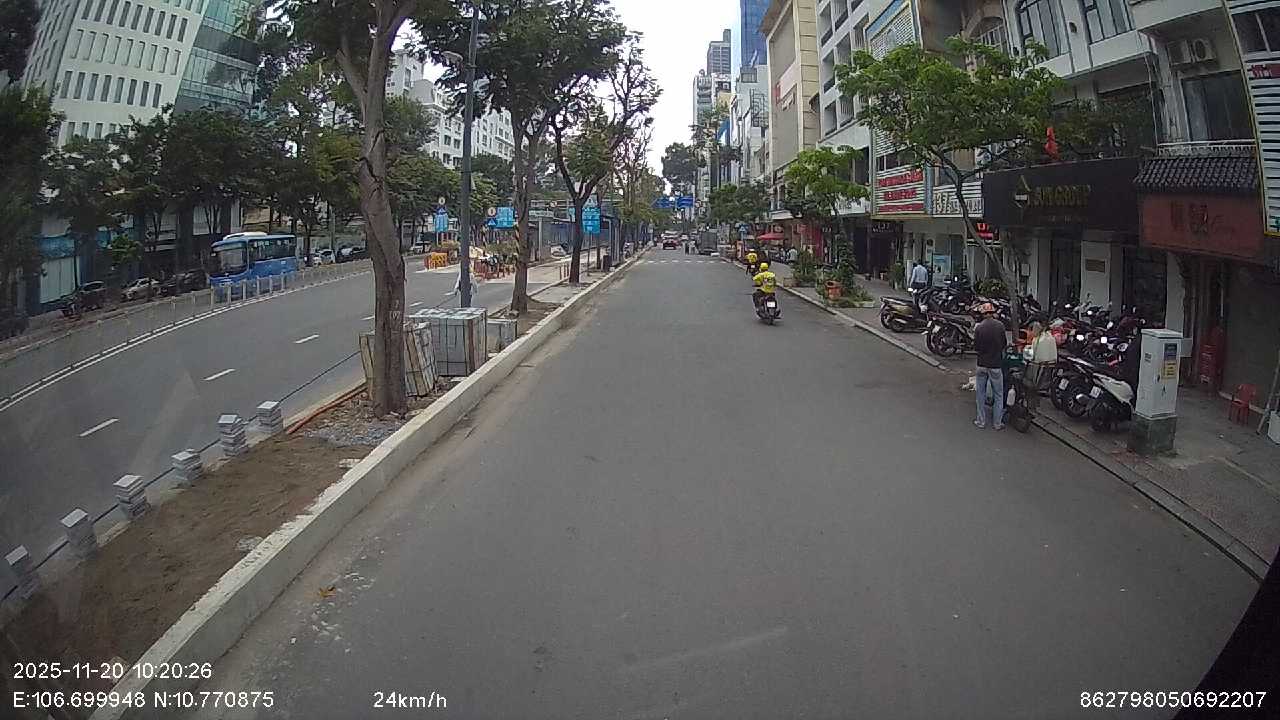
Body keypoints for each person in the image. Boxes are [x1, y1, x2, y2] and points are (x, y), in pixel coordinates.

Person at [973, 302, 1008, 430]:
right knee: (998, 394)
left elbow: (976, 347)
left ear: (983, 314)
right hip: (995, 365)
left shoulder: (979, 328)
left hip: (982, 364)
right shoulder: (1000, 326)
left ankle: (981, 421)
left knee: (980, 394)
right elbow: (1004, 344)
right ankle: (997, 423)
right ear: (993, 313)